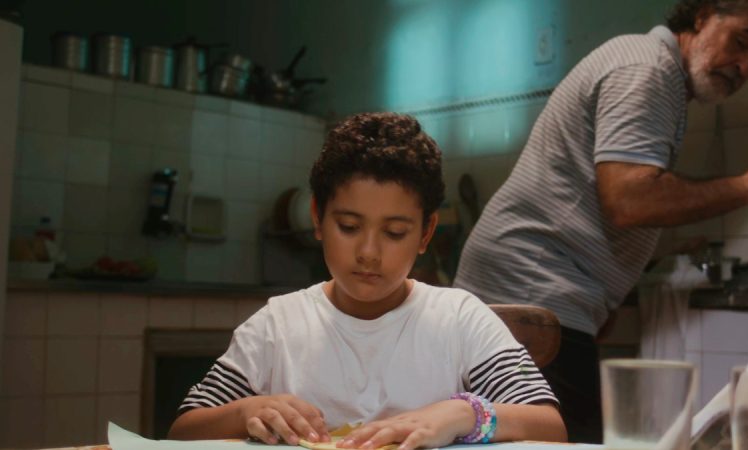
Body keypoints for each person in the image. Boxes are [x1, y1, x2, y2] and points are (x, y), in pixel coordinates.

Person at [453, 0, 748, 444]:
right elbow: (629, 198)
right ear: (702, 16)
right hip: (529, 300)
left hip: (535, 297)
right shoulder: (648, 69)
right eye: (741, 42)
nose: (745, 66)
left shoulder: (657, 75)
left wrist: (608, 292)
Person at [168, 112, 567, 448]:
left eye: (394, 232)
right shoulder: (278, 325)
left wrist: (464, 413)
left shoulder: (458, 318)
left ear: (426, 233)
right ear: (318, 218)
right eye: (348, 226)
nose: (369, 252)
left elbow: (550, 427)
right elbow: (181, 431)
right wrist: (245, 411)